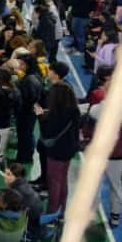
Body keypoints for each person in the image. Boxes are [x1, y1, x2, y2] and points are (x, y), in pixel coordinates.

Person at [83, 96, 122, 227]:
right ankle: (115, 217)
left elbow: (86, 131)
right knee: (116, 186)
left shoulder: (95, 110)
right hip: (117, 156)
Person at [36, 81, 80, 213]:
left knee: (54, 182)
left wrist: (40, 116)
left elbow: (47, 133)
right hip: (69, 149)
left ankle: (52, 211)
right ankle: (62, 210)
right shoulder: (75, 110)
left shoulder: (56, 113)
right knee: (63, 180)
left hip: (56, 151)